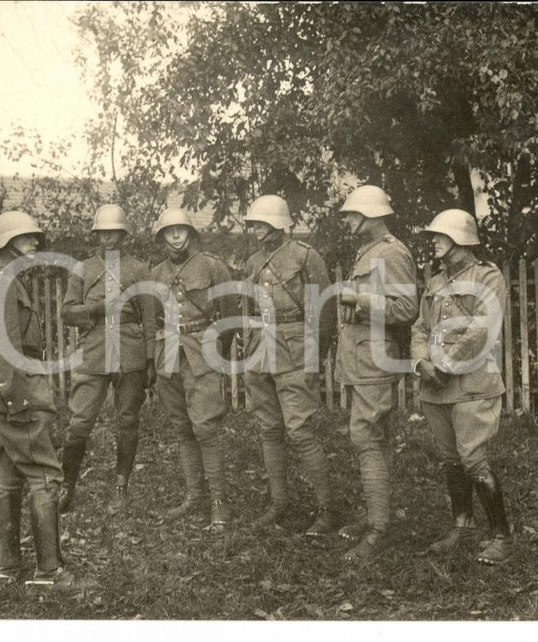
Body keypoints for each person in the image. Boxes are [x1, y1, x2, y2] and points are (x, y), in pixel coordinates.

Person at [0, 210, 90, 589]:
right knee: (45, 475)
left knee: (9, 477)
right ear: (7, 242)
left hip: (11, 393)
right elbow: (0, 349)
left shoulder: (5, 280)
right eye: (27, 237)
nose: (35, 242)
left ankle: (6, 567)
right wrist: (16, 401)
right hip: (18, 394)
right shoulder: (2, 282)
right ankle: (50, 572)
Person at [410, 208, 513, 565]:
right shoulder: (436, 281)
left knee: (472, 458)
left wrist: (443, 364)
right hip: (436, 386)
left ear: (461, 239)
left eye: (440, 236)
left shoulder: (487, 276)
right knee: (451, 459)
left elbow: (482, 329)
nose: (434, 242)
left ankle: (501, 537)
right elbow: (420, 328)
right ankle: (463, 527)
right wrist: (421, 362)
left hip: (472, 383)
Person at [241, 194, 339, 535]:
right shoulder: (253, 261)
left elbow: (324, 310)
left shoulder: (305, 256)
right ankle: (279, 503)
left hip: (296, 349)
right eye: (254, 223)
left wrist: (315, 354)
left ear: (280, 223)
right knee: (269, 428)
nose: (257, 229)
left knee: (300, 431)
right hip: (260, 350)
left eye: (263, 223)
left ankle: (327, 510)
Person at [334, 185, 419, 561]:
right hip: (360, 358)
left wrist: (361, 299)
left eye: (353, 214)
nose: (348, 220)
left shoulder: (392, 252)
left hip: (375, 359)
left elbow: (407, 308)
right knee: (373, 439)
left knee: (367, 437)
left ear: (371, 215)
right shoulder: (367, 251)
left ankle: (379, 532)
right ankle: (376, 518)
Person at [59, 204, 156, 516]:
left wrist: (150, 359)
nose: (108, 237)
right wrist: (95, 310)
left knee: (127, 421)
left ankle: (120, 487)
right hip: (95, 348)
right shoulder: (83, 269)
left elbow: (149, 317)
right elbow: (67, 313)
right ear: (96, 235)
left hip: (129, 350)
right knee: (80, 421)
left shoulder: (139, 270)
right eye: (102, 232)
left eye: (114, 232)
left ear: (123, 234)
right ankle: (66, 487)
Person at [149, 207, 239, 529]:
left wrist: (216, 352)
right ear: (162, 237)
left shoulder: (213, 266)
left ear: (191, 233)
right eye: (169, 231)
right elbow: (153, 317)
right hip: (169, 356)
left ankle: (219, 502)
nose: (176, 236)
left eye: (181, 230)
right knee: (181, 427)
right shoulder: (156, 273)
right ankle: (194, 496)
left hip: (202, 353)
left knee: (205, 428)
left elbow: (231, 316)